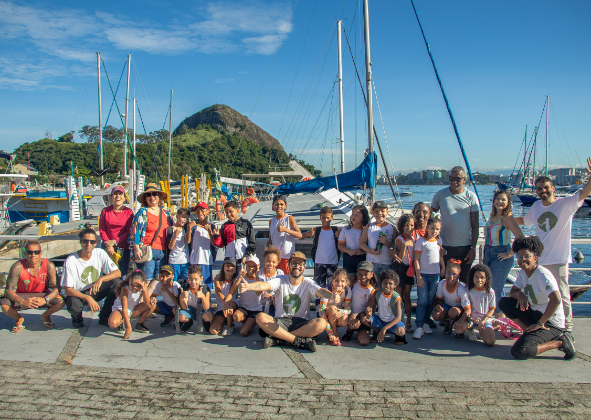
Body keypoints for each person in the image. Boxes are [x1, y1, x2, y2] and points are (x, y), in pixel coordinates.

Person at [514, 157, 591, 336]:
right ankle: (543, 324)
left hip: (558, 259)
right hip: (538, 260)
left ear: (553, 188)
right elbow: (524, 221)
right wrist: (503, 219)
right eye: (539, 188)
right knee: (538, 294)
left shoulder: (565, 204)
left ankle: (567, 328)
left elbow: (585, 192)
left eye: (545, 187)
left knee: (562, 295)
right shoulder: (535, 206)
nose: (542, 191)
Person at [498, 236, 575, 360]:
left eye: (527, 256)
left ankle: (561, 341)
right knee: (504, 303)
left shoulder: (542, 275)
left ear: (535, 258)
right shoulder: (523, 273)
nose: (523, 260)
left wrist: (540, 323)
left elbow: (556, 300)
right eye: (519, 257)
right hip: (535, 315)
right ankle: (527, 331)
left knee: (519, 351)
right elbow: (513, 292)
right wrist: (520, 294)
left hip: (550, 322)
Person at [239, 251, 333, 352]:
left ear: (304, 266)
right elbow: (265, 285)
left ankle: (279, 338)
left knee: (321, 323)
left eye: (300, 264)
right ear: (289, 265)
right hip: (281, 322)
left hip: (301, 323)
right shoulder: (280, 279)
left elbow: (320, 291)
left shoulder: (309, 283)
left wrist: (331, 295)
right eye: (294, 263)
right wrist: (248, 286)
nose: (297, 266)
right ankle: (297, 340)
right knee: (260, 317)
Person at [62, 226, 122, 328]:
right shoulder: (71, 260)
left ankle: (104, 316)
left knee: (117, 283)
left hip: (94, 289)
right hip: (78, 293)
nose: (88, 244)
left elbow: (118, 272)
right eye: (85, 241)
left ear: (95, 243)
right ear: (81, 241)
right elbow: (68, 290)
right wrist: (87, 298)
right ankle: (77, 319)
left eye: (92, 242)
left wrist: (101, 278)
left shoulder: (100, 253)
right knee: (73, 302)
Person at [431, 166, 479, 284]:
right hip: (445, 246)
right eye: (451, 179)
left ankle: (462, 303)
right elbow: (429, 216)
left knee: (463, 281)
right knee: (445, 280)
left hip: (465, 247)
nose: (454, 182)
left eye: (457, 179)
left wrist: (473, 248)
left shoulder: (471, 197)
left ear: (464, 179)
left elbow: (475, 224)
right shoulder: (440, 195)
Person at [1, 241, 63, 332]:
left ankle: (45, 316)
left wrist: (45, 299)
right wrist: (22, 301)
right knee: (4, 304)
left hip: (42, 295)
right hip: (23, 295)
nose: (33, 255)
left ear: (40, 253)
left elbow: (57, 288)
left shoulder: (48, 265)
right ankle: (18, 319)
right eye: (30, 252)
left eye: (36, 252)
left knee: (61, 301)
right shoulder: (17, 267)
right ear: (25, 253)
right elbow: (8, 290)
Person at [483, 190, 524, 312]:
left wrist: (510, 253)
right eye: (498, 199)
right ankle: (492, 315)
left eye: (503, 199)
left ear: (508, 202)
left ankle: (499, 317)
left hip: (501, 254)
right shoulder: (492, 216)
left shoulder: (507, 217)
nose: (500, 202)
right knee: (488, 286)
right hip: (488, 252)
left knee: (496, 287)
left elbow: (520, 237)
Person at [129, 183, 173, 281]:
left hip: (162, 252)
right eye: (148, 195)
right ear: (145, 198)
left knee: (159, 281)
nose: (152, 197)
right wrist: (136, 248)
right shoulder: (142, 212)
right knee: (147, 279)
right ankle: (145, 296)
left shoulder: (165, 213)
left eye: (154, 194)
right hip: (147, 251)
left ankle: (152, 297)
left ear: (158, 197)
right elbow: (134, 231)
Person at [413, 217, 445, 339]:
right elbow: (416, 260)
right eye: (432, 228)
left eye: (437, 229)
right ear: (427, 228)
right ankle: (419, 326)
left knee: (430, 301)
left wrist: (443, 267)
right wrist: (419, 276)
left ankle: (426, 322)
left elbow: (440, 256)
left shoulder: (439, 241)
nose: (434, 231)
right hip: (424, 275)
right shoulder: (421, 242)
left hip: (435, 275)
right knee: (422, 301)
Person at [363, 270, 407, 345]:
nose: (387, 285)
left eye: (390, 283)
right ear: (382, 283)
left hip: (392, 322)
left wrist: (385, 328)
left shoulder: (396, 297)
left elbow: (398, 318)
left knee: (400, 331)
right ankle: (377, 331)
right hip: (381, 320)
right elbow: (369, 305)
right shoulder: (377, 292)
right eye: (385, 283)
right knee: (364, 319)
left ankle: (397, 335)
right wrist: (368, 311)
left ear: (395, 285)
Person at [108, 269, 155, 338]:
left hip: (133, 309)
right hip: (121, 310)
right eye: (132, 285)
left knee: (152, 304)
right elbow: (124, 309)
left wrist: (144, 290)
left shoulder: (143, 286)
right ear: (129, 282)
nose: (134, 288)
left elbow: (147, 303)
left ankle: (139, 324)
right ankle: (121, 322)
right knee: (113, 323)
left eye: (138, 286)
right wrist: (129, 327)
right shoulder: (125, 289)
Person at [99, 186, 134, 277]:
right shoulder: (105, 211)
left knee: (122, 275)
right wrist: (108, 244)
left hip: (123, 248)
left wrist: (115, 241)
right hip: (108, 248)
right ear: (111, 196)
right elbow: (102, 229)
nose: (118, 196)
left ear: (124, 197)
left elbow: (129, 231)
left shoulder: (129, 212)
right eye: (115, 194)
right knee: (107, 275)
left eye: (120, 194)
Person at [341, 261, 378, 345]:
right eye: (360, 274)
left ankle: (367, 331)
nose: (363, 277)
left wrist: (359, 314)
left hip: (362, 317)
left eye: (366, 274)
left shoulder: (372, 291)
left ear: (371, 274)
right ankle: (350, 330)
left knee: (364, 342)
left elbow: (369, 308)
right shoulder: (354, 283)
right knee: (353, 324)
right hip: (352, 317)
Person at [211, 201, 256, 269]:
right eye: (226, 212)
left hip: (244, 260)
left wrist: (246, 256)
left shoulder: (246, 224)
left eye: (230, 211)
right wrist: (217, 236)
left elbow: (252, 244)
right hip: (229, 261)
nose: (228, 214)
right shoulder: (224, 226)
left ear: (237, 210)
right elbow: (221, 244)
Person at [390, 214, 415, 333]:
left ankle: (409, 321)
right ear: (401, 226)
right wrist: (405, 245)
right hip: (400, 269)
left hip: (409, 269)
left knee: (407, 297)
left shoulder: (415, 238)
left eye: (411, 225)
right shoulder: (399, 239)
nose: (409, 227)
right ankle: (399, 321)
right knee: (398, 297)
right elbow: (399, 257)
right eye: (406, 225)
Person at [459, 264, 496, 346]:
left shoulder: (490, 292)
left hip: (484, 320)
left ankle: (483, 331)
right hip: (471, 319)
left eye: (482, 277)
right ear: (472, 277)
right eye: (476, 277)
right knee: (459, 329)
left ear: (486, 278)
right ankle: (470, 330)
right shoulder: (468, 290)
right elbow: (465, 308)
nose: (479, 280)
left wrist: (483, 322)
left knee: (490, 342)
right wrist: (471, 319)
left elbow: (491, 309)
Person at [432, 260, 471, 336]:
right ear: (445, 274)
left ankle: (457, 324)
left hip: (459, 308)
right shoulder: (441, 283)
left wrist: (461, 321)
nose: (451, 277)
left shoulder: (461, 288)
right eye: (448, 273)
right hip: (448, 305)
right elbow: (439, 299)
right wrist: (438, 305)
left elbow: (468, 309)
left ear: (458, 277)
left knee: (453, 312)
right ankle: (449, 322)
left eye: (454, 275)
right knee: (436, 315)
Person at [305, 206, 340, 288]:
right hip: (319, 262)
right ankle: (319, 301)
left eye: (328, 218)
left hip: (332, 263)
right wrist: (308, 234)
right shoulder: (316, 230)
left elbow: (345, 239)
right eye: (323, 217)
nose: (325, 220)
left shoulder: (336, 229)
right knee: (318, 287)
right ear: (320, 218)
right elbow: (301, 236)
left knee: (333, 287)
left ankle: (331, 301)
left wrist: (340, 236)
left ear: (332, 218)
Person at [359, 201, 397, 279]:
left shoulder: (392, 228)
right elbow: (362, 243)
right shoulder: (369, 226)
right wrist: (370, 251)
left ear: (387, 212)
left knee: (385, 288)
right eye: (376, 211)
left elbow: (395, 245)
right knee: (373, 288)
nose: (379, 213)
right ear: (373, 213)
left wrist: (387, 243)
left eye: (382, 211)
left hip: (387, 263)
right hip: (371, 263)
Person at [186, 202, 217, 289]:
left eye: (202, 211)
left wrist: (210, 232)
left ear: (207, 211)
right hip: (194, 260)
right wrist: (189, 228)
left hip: (207, 260)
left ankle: (207, 301)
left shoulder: (212, 226)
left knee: (207, 286)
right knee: (194, 285)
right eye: (197, 212)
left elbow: (214, 244)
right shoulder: (193, 226)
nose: (200, 213)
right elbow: (188, 241)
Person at [267, 195, 302, 274]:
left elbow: (299, 235)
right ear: (273, 206)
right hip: (275, 258)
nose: (279, 206)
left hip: (287, 257)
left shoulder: (289, 218)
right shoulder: (271, 221)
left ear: (285, 206)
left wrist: (286, 230)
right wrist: (267, 254)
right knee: (275, 280)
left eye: (281, 204)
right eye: (276, 204)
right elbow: (270, 239)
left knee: (286, 280)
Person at [318, 268, 352, 346]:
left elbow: (349, 309)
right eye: (336, 281)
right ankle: (334, 333)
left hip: (336, 313)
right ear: (332, 281)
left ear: (346, 282)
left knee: (344, 319)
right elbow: (321, 312)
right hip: (325, 314)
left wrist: (341, 312)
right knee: (333, 308)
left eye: (342, 281)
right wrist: (330, 333)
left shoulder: (347, 290)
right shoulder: (326, 290)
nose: (339, 283)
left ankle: (333, 330)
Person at [233, 255, 264, 337]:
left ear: (258, 267)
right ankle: (247, 320)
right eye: (249, 266)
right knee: (236, 316)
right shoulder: (241, 276)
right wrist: (240, 277)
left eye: (253, 266)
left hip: (255, 309)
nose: (251, 268)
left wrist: (257, 278)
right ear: (245, 266)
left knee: (243, 332)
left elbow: (258, 293)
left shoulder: (261, 279)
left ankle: (253, 321)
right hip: (243, 307)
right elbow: (232, 290)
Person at [338, 205, 369, 284]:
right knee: (350, 281)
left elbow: (370, 247)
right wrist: (348, 250)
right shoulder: (346, 229)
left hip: (362, 258)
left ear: (364, 217)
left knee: (361, 281)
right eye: (352, 214)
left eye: (357, 215)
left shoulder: (367, 230)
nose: (353, 217)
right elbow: (340, 245)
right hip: (349, 258)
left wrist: (362, 252)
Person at [178, 265, 214, 333]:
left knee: (209, 316)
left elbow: (206, 307)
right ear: (187, 278)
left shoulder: (205, 288)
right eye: (190, 279)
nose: (193, 282)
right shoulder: (184, 288)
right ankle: (189, 321)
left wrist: (202, 297)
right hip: (190, 309)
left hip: (202, 310)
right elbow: (184, 307)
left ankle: (205, 322)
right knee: (181, 317)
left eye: (196, 279)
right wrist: (182, 297)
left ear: (201, 279)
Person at [210, 257, 240, 336]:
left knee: (229, 304)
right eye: (227, 266)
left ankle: (229, 325)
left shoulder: (237, 279)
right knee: (213, 331)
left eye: (232, 266)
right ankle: (224, 321)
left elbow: (231, 293)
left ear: (236, 269)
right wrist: (224, 303)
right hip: (221, 307)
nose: (229, 268)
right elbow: (218, 291)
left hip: (232, 305)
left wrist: (226, 304)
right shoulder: (217, 279)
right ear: (223, 267)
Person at [259, 246, 284, 316]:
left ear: (277, 262)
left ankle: (279, 317)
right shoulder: (260, 273)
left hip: (275, 304)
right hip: (262, 304)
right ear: (264, 260)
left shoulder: (279, 273)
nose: (270, 264)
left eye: (273, 262)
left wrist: (273, 295)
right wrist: (264, 292)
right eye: (268, 261)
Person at [167, 208, 190, 284]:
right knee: (173, 283)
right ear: (177, 216)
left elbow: (188, 241)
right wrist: (175, 235)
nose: (184, 220)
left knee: (188, 282)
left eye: (186, 218)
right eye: (183, 217)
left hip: (185, 261)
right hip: (174, 261)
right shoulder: (171, 229)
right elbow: (170, 247)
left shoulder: (186, 229)